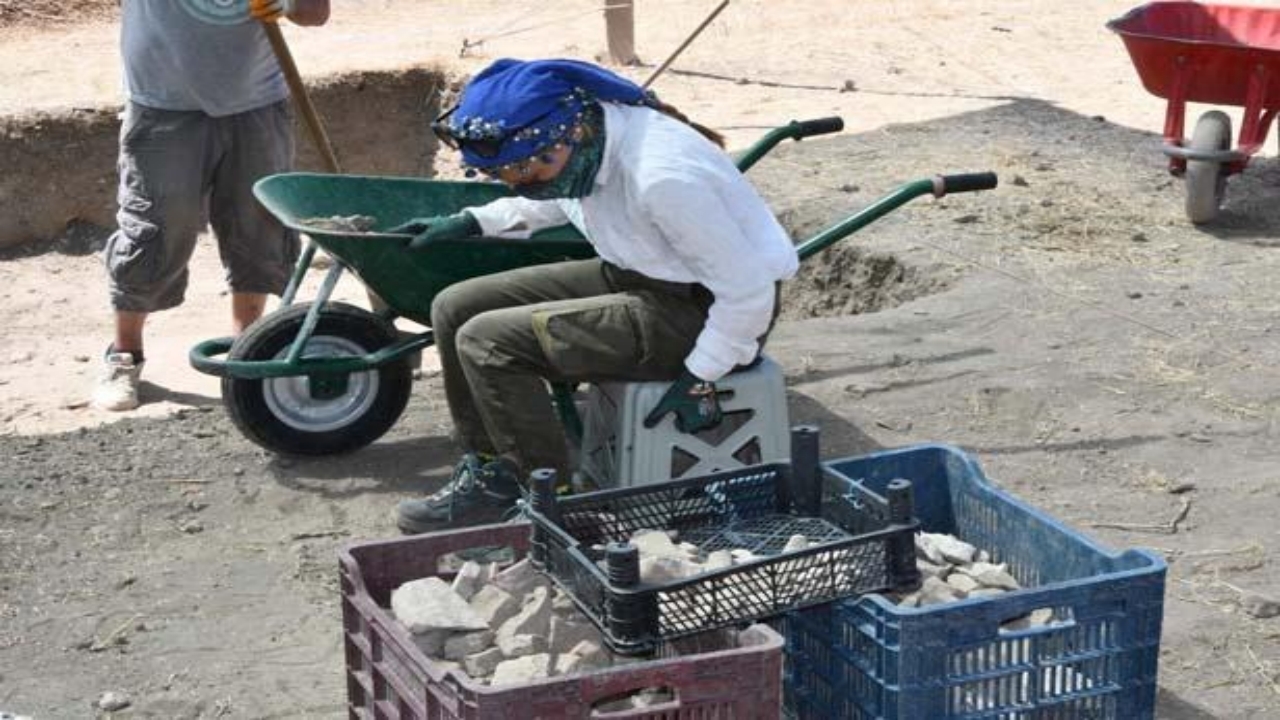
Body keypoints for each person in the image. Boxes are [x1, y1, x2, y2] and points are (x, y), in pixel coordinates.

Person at [394, 59, 799, 533]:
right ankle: (492, 471)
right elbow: (552, 196)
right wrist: (476, 220)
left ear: (573, 133)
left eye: (523, 168)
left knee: (488, 342)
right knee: (454, 307)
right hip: (638, 275)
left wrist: (702, 372)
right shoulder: (586, 136)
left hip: (702, 312)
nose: (520, 180)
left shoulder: (662, 179)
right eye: (506, 173)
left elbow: (748, 291)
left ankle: (553, 503)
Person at [91, 0, 331, 411]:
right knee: (156, 226)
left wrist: (290, 4)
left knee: (257, 225)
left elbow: (316, 12)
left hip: (255, 101)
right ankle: (124, 353)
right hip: (162, 103)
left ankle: (247, 347)